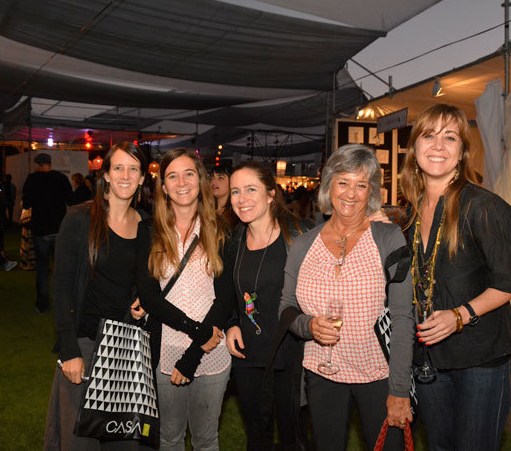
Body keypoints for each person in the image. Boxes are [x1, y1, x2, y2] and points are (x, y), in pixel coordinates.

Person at [399, 104, 511, 451]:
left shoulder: (483, 206)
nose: (438, 145)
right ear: (414, 150)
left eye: (450, 137)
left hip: (479, 358)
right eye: (429, 135)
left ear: (462, 152)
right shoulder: (411, 214)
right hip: (429, 357)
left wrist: (460, 316)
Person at [279, 144, 414, 451]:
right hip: (321, 374)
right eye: (343, 182)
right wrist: (308, 326)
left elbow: (404, 317)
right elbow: (286, 307)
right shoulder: (303, 245)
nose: (351, 194)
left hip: (379, 375)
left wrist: (399, 389)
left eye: (361, 185)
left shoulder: (389, 238)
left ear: (372, 191)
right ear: (329, 185)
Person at [45, 142, 160, 450]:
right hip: (85, 343)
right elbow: (62, 287)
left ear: (142, 177)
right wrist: (69, 349)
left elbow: (146, 283)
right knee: (79, 439)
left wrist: (143, 305)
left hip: (125, 348)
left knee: (124, 440)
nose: (126, 175)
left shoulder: (147, 225)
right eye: (118, 168)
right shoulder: (79, 219)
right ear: (106, 175)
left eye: (133, 169)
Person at [135, 148, 232, 451]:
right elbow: (150, 296)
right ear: (163, 187)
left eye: (189, 173)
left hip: (213, 349)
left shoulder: (221, 229)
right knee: (170, 438)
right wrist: (196, 332)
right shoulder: (148, 231)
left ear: (200, 180)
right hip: (167, 351)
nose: (181, 182)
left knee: (206, 440)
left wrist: (197, 349)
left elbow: (226, 295)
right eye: (172, 176)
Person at [224, 162, 311, 451]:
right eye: (235, 191)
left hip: (291, 352)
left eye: (251, 189)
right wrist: (232, 322)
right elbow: (228, 293)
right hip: (248, 354)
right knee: (257, 437)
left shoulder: (300, 235)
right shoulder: (234, 241)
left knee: (293, 436)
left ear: (271, 194)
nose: (242, 198)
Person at [22, 152, 73, 313]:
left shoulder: (32, 179)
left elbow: (26, 203)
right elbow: (71, 200)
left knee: (43, 271)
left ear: (37, 164)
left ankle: (43, 306)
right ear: (50, 163)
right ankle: (64, 305)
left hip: (41, 231)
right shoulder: (61, 178)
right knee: (62, 270)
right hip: (59, 229)